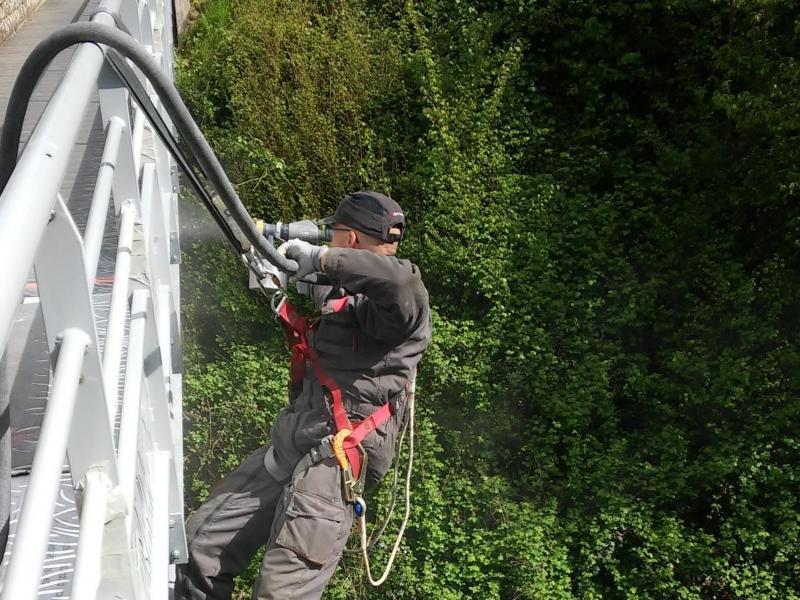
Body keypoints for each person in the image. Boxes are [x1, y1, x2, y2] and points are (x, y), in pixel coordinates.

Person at [175, 191, 432, 600]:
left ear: (348, 241)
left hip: (332, 463)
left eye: (334, 236)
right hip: (295, 440)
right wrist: (273, 272)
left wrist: (320, 259)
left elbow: (400, 281)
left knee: (280, 594)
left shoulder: (399, 310)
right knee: (195, 553)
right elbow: (319, 297)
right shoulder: (343, 290)